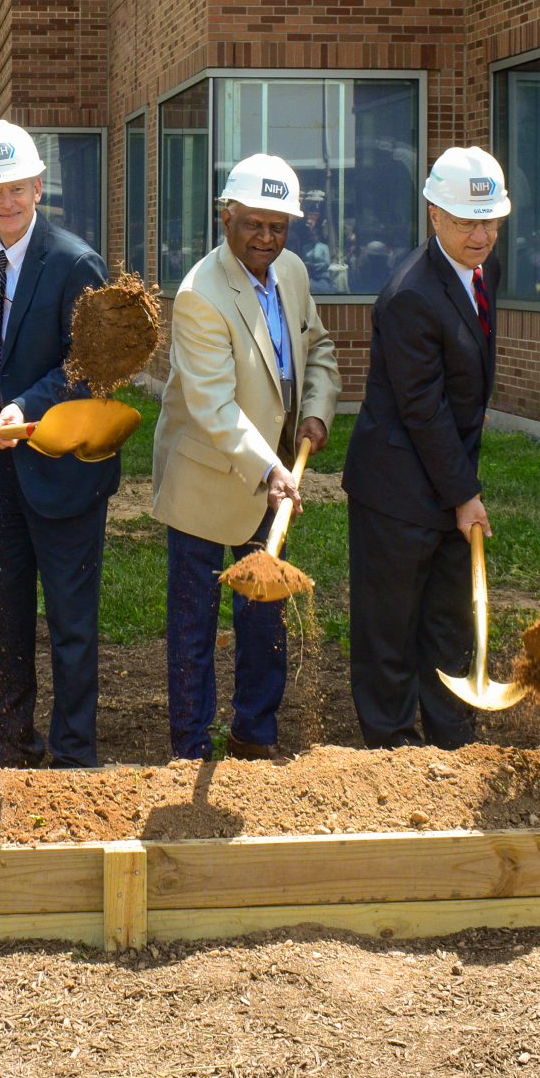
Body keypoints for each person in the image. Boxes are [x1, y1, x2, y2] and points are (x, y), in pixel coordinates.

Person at [0, 120, 117, 768]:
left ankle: (72, 755)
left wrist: (23, 406)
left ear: (39, 186)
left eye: (17, 188)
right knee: (1, 612)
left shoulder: (74, 262)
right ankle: (11, 743)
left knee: (70, 621)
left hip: (63, 466)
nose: (6, 201)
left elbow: (89, 362)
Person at [153, 153, 340, 761]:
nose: (266, 238)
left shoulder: (291, 274)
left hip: (272, 476)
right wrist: (270, 468)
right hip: (210, 475)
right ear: (224, 218)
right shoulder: (199, 296)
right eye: (253, 224)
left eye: (278, 226)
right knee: (195, 622)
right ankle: (190, 745)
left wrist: (316, 410)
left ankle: (253, 733)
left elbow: (318, 349)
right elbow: (214, 407)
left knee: (265, 618)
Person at [343, 148, 509, 750]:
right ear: (434, 214)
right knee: (389, 626)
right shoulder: (412, 294)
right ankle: (389, 748)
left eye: (490, 221)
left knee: (446, 620)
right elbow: (424, 410)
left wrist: (458, 491)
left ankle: (449, 741)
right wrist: (465, 495)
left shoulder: (476, 273)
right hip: (396, 488)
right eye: (468, 220)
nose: (482, 234)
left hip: (440, 479)